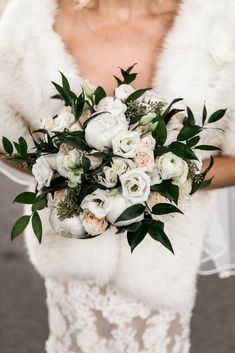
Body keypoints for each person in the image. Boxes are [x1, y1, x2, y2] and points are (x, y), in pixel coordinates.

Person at [0, 0, 235, 352]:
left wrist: (160, 177)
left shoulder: (220, 30)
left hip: (162, 275)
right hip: (71, 263)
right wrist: (63, 169)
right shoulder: (32, 20)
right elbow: (7, 139)